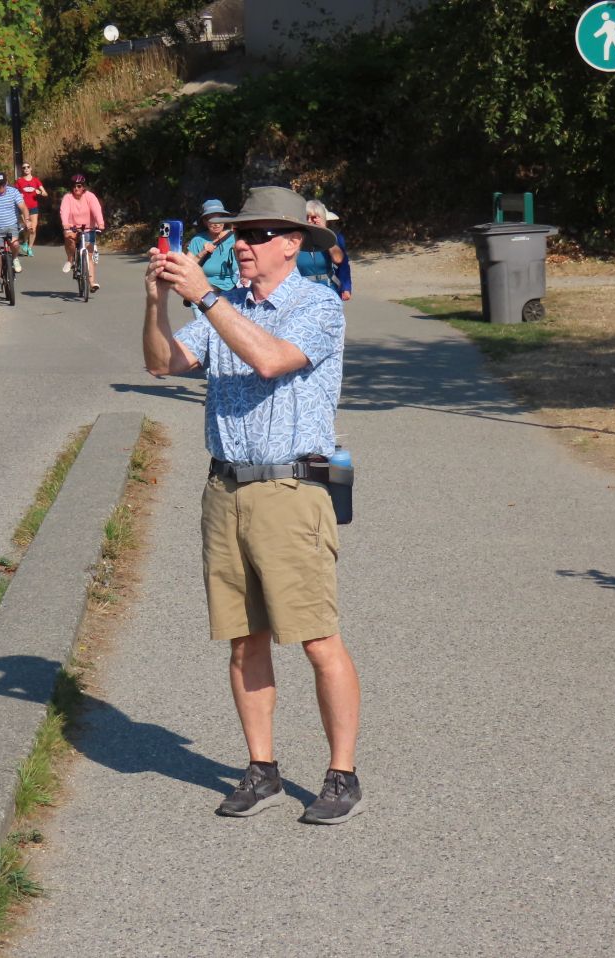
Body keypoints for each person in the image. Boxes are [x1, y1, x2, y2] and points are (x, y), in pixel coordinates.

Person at [141, 186, 363, 825]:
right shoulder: (227, 306)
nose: (242, 244)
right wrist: (157, 301)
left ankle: (342, 774)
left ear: (293, 244)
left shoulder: (316, 305)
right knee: (245, 640)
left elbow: (269, 360)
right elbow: (162, 363)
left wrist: (202, 297)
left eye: (259, 235)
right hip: (226, 489)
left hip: (290, 492)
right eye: (239, 235)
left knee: (317, 639)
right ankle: (261, 767)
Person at [297, 199, 352, 302]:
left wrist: (346, 287)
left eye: (314, 218)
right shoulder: (296, 238)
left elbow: (340, 260)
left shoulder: (333, 237)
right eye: (307, 217)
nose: (309, 221)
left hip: (328, 289)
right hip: (302, 292)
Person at [60, 173, 105, 291]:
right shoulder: (67, 198)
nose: (76, 188)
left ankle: (92, 283)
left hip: (88, 228)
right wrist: (65, 223)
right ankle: (70, 260)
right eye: (74, 186)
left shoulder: (90, 196)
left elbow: (96, 210)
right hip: (72, 226)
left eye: (79, 186)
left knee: (89, 256)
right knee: (70, 239)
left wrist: (100, 223)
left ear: (83, 187)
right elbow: (64, 211)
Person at [187, 198, 240, 293]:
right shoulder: (197, 240)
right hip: (204, 291)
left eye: (219, 219)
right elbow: (187, 267)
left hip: (232, 290)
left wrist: (245, 276)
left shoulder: (235, 237)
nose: (216, 224)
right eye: (212, 220)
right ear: (205, 221)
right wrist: (202, 252)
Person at [15, 162, 47, 256]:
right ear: (22, 170)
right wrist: (19, 195)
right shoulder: (19, 181)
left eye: (28, 167)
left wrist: (40, 192)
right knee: (28, 227)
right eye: (24, 167)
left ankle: (29, 248)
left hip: (34, 207)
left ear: (31, 168)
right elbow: (14, 193)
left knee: (33, 228)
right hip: (23, 208)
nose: (26, 169)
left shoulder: (36, 180)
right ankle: (25, 242)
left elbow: (45, 193)